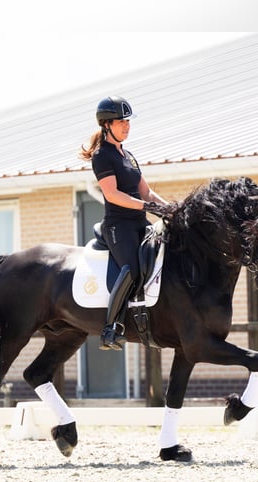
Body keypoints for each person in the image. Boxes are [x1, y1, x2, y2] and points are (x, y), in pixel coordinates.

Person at [79, 96, 171, 350]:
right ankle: (111, 328)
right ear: (107, 124)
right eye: (121, 121)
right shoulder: (102, 156)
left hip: (140, 223)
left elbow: (147, 193)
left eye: (128, 121)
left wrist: (171, 209)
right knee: (131, 268)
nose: (127, 126)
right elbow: (112, 195)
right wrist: (147, 207)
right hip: (118, 227)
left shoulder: (128, 155)